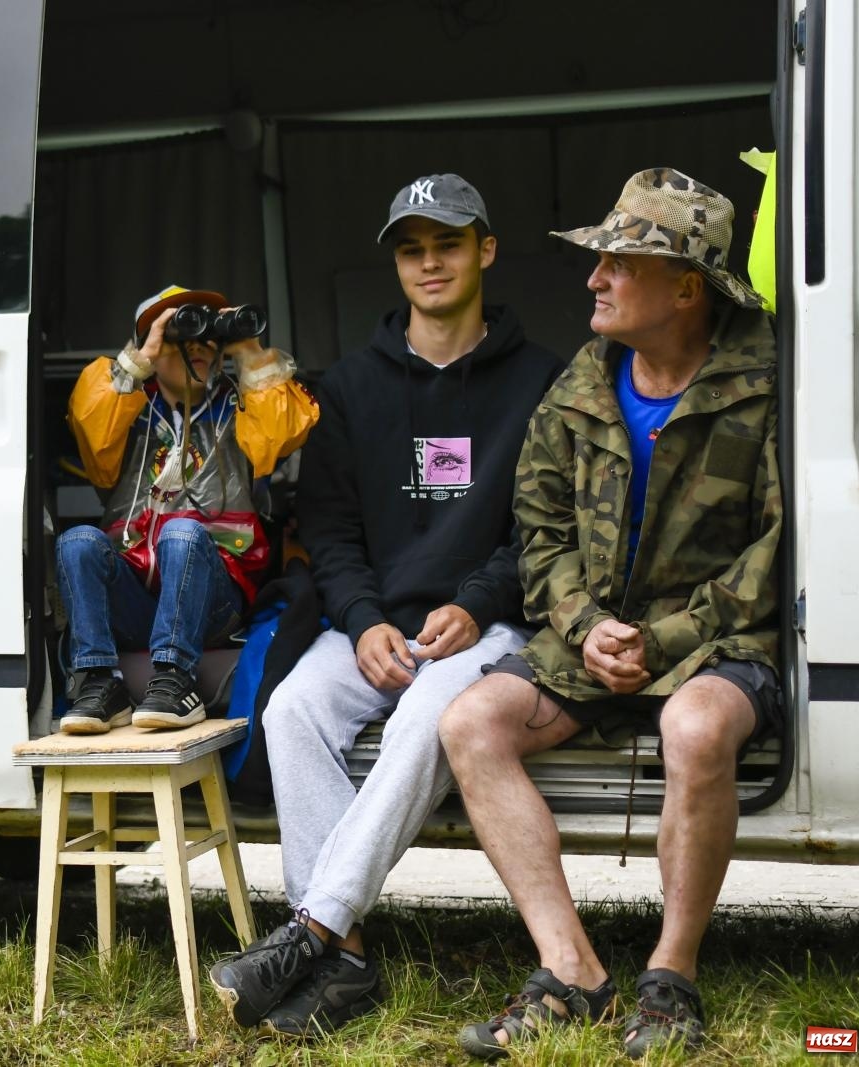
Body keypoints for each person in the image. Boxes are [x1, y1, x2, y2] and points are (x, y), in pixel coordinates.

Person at [206, 174, 564, 1037]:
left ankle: (311, 930)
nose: (430, 261)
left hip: (489, 625)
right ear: (396, 264)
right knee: (291, 710)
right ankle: (349, 954)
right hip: (374, 622)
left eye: (447, 243)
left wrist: (477, 605)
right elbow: (328, 530)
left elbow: (549, 528)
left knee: (428, 721)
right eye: (411, 247)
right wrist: (363, 619)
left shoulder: (546, 380)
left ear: (485, 250)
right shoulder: (352, 387)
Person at [438, 168, 781, 1059]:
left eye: (618, 262)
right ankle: (573, 971)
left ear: (685, 287)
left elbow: (776, 551)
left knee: (699, 727)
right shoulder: (579, 388)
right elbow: (538, 534)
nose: (593, 280)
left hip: (713, 641)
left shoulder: (765, 383)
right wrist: (587, 624)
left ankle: (671, 978)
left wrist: (661, 641)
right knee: (472, 722)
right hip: (591, 638)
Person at [55, 286, 317, 733]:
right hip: (137, 598)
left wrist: (248, 350)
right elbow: (92, 434)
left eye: (206, 337)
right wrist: (140, 358)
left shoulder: (242, 407)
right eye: (180, 335)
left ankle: (175, 678)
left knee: (182, 531)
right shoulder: (126, 410)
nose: (197, 346)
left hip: (214, 601)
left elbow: (284, 432)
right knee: (77, 542)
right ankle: (99, 682)